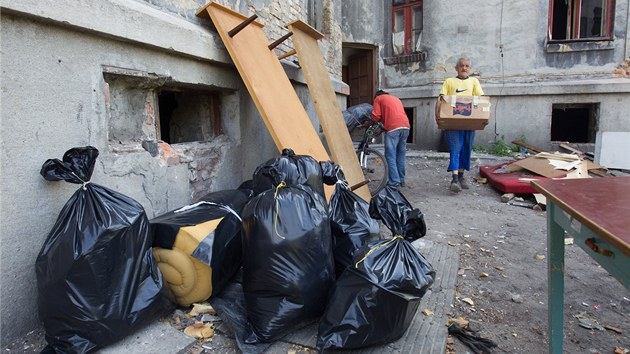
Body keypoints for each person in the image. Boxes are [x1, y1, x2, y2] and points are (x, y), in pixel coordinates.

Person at [435, 57, 484, 193]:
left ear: (470, 68)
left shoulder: (474, 82)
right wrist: (437, 116)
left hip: (469, 123)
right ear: (456, 68)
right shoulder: (449, 81)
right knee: (455, 149)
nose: (464, 68)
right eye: (461, 66)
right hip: (453, 124)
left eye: (467, 66)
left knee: (466, 150)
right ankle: (455, 179)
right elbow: (440, 100)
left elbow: (480, 100)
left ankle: (461, 176)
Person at [371, 90, 410, 188]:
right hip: (406, 127)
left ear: (377, 95)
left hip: (393, 129)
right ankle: (401, 180)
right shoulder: (396, 99)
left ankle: (394, 182)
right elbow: (394, 116)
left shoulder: (378, 98)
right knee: (400, 155)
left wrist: (371, 122)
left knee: (390, 156)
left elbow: (376, 116)